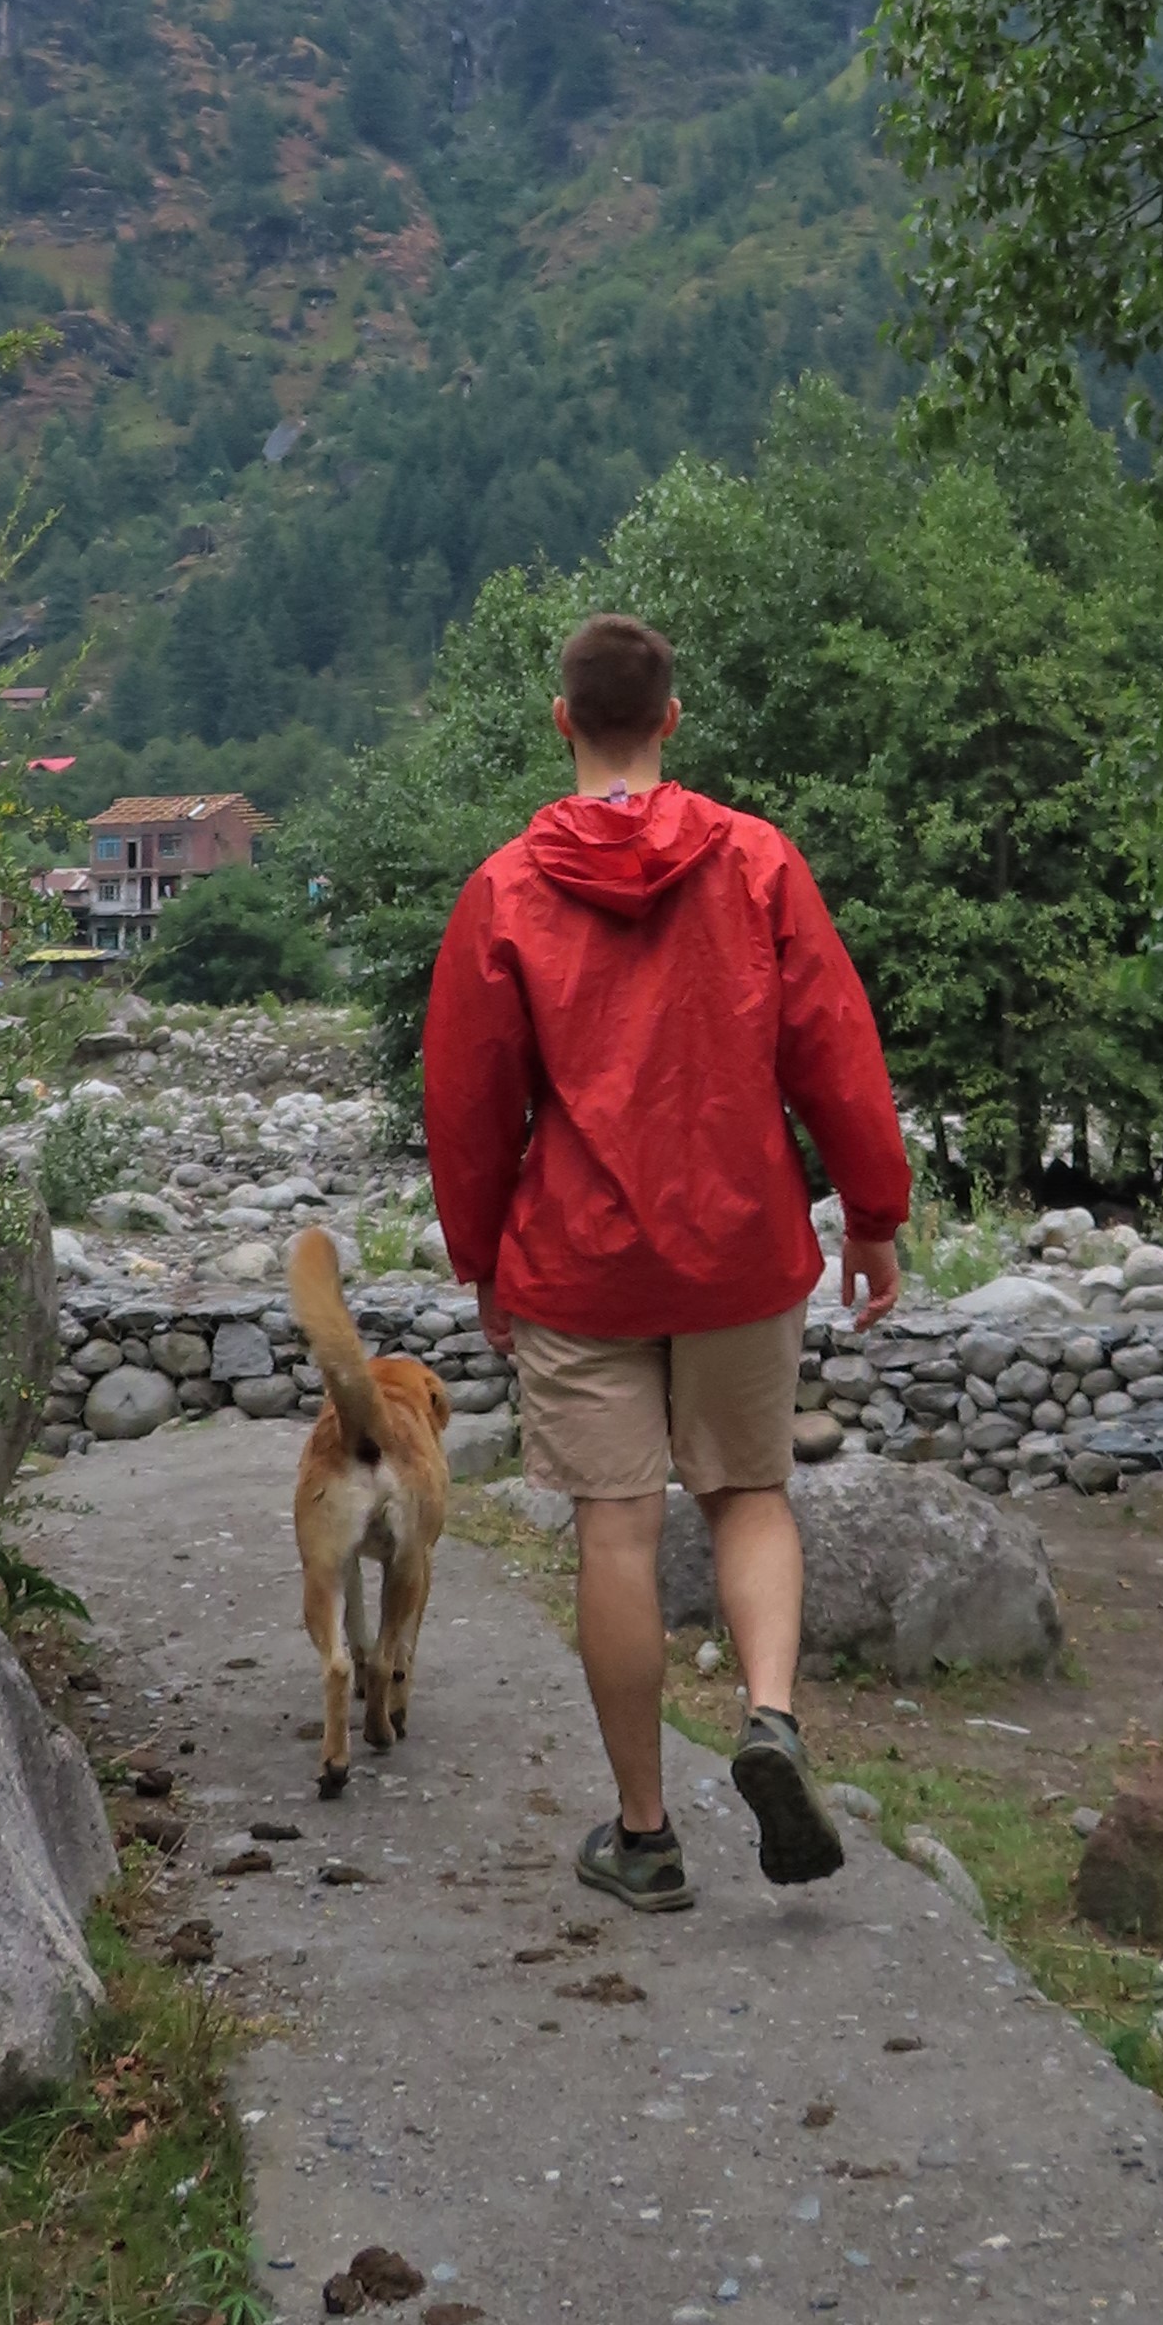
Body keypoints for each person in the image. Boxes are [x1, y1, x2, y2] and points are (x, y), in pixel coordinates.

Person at [421, 609, 909, 1912]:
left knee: (618, 1535)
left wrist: (484, 1262)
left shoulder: (505, 892)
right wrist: (871, 1211)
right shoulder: (755, 865)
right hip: (741, 1249)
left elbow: (469, 1106)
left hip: (580, 1265)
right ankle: (767, 1716)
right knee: (748, 1494)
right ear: (673, 721)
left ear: (565, 722)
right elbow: (835, 1049)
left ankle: (645, 1837)